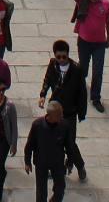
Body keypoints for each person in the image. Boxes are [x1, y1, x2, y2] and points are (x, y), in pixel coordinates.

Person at [37, 41, 89, 179]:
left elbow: (82, 93)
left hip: (70, 112)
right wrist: (42, 95)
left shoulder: (76, 70)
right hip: (55, 111)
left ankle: (80, 165)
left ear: (68, 55)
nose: (61, 60)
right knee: (54, 141)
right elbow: (47, 80)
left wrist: (82, 113)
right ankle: (56, 169)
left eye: (63, 57)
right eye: (58, 57)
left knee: (70, 143)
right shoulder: (53, 64)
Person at [69, 0, 109, 113]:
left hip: (99, 43)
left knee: (98, 71)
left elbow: (108, 21)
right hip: (84, 42)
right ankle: (79, 92)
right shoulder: (82, 0)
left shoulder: (105, 4)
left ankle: (95, 98)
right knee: (83, 69)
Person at [25, 100, 72, 200]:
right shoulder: (37, 125)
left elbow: (69, 146)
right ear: (50, 115)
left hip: (57, 162)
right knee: (41, 192)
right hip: (41, 162)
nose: (62, 116)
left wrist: (70, 161)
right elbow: (29, 145)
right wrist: (27, 162)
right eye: (59, 115)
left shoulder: (64, 126)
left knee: (60, 188)